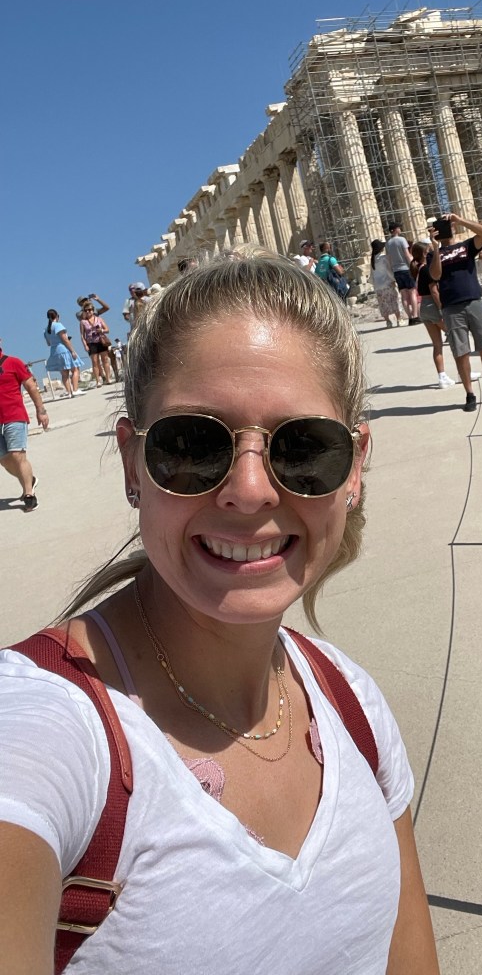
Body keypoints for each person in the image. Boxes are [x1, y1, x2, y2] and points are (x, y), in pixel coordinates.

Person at [0, 251, 440, 973]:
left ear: (355, 466)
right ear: (129, 462)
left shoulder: (351, 702)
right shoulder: (43, 730)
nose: (249, 490)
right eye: (192, 445)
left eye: (304, 448)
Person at [428, 214, 482, 413]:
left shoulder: (465, 246)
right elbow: (435, 275)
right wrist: (436, 248)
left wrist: (460, 220)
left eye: (448, 226)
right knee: (460, 352)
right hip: (451, 306)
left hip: (474, 300)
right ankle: (469, 393)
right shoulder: (433, 253)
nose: (447, 229)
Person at [0, 335, 49, 511]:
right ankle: (31, 479)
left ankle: (29, 493)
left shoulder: (13, 363)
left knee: (17, 455)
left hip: (15, 416)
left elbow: (31, 386)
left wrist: (41, 410)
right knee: (5, 461)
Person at [411, 242, 455, 388]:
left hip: (423, 307)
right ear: (425, 254)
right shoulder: (427, 270)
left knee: (437, 344)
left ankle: (442, 376)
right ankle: (463, 371)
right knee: (455, 337)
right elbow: (434, 290)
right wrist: (441, 308)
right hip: (433, 305)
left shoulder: (418, 270)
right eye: (429, 251)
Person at [44, 309, 87, 398]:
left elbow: (49, 343)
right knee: (75, 369)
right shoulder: (58, 325)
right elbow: (65, 339)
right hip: (64, 349)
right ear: (57, 316)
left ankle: (69, 392)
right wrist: (72, 351)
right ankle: (75, 390)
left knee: (64, 373)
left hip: (54, 351)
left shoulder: (46, 329)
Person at [385, 222, 419, 325]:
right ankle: (415, 315)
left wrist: (392, 271)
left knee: (404, 295)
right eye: (399, 228)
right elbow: (407, 255)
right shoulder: (402, 240)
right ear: (395, 229)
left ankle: (409, 317)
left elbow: (389, 259)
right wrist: (413, 267)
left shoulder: (388, 243)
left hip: (396, 271)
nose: (400, 229)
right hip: (405, 268)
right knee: (412, 292)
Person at [370, 239, 405, 327]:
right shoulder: (384, 257)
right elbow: (388, 270)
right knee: (394, 301)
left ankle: (388, 321)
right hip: (387, 282)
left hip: (378, 285)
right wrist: (393, 279)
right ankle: (399, 319)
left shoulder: (372, 260)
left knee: (383, 303)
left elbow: (372, 274)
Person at [80, 302, 114, 386]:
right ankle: (98, 381)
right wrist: (85, 345)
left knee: (105, 359)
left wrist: (101, 330)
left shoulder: (99, 319)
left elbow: (107, 329)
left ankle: (108, 378)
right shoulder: (83, 322)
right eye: (86, 310)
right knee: (95, 362)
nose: (88, 312)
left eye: (90, 310)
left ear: (93, 310)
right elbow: (82, 335)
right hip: (91, 343)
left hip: (101, 341)